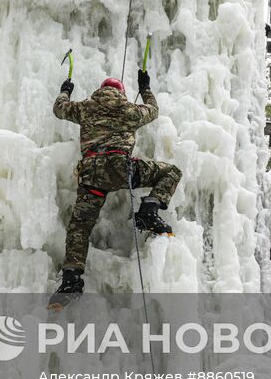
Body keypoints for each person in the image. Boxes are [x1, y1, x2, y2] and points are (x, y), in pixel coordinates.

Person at [51, 69, 180, 299]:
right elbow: (153, 110)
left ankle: (71, 277)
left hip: (91, 173)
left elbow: (60, 109)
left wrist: (65, 91)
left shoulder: (85, 107)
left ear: (101, 90)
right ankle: (150, 210)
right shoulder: (130, 110)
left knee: (80, 226)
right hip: (121, 168)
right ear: (121, 92)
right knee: (170, 172)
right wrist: (145, 89)